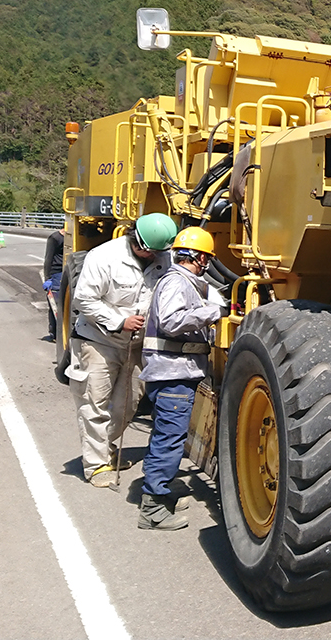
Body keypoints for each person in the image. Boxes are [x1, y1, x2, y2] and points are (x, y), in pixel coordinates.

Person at [67, 213, 176, 488]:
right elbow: (84, 300)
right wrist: (119, 321)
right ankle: (96, 464)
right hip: (98, 341)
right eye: (150, 252)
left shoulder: (164, 257)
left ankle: (105, 447)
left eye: (159, 253)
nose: (155, 258)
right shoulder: (104, 258)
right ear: (137, 241)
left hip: (137, 345)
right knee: (95, 403)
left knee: (128, 404)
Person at [136, 226, 224, 530]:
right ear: (199, 257)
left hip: (173, 373)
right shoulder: (177, 282)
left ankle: (160, 491)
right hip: (172, 374)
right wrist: (210, 313)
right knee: (169, 440)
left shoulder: (182, 282)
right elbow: (172, 322)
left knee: (164, 436)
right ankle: (153, 510)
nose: (207, 264)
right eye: (207, 258)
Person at [42, 224, 66, 341]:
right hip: (56, 273)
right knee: (55, 305)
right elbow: (49, 258)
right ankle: (54, 332)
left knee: (61, 305)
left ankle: (58, 332)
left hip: (63, 272)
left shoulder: (68, 239)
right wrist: (47, 277)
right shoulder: (55, 238)